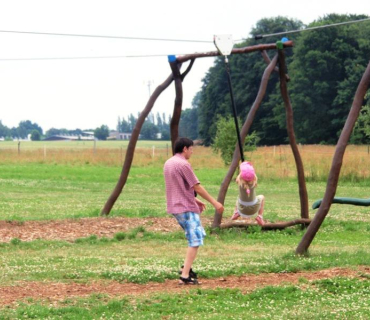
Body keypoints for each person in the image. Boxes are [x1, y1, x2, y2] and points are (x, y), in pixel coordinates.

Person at [164, 137, 224, 285]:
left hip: (176, 206)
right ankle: (185, 275)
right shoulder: (184, 164)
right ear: (185, 148)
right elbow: (196, 186)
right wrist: (215, 203)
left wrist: (195, 200)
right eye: (191, 149)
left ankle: (186, 267)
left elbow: (178, 187)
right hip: (185, 208)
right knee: (195, 240)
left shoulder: (169, 163)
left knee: (196, 235)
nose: (192, 152)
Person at [231, 161, 265, 226]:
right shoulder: (254, 182)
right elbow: (254, 176)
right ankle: (260, 216)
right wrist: (249, 169)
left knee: (239, 197)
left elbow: (238, 178)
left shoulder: (239, 182)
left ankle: (236, 212)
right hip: (254, 209)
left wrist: (242, 170)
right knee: (262, 197)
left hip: (241, 209)